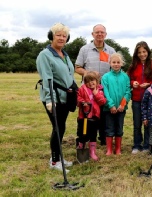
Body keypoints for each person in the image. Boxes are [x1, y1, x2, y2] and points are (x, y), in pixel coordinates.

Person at [36, 23, 74, 172]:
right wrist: (49, 99)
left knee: (62, 126)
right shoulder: (45, 55)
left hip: (65, 97)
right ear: (51, 36)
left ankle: (58, 157)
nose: (61, 38)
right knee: (57, 128)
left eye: (64, 36)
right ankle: (54, 161)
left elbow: (69, 75)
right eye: (58, 35)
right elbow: (47, 79)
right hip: (54, 98)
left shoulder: (65, 54)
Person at [75, 24, 116, 146]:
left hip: (104, 89)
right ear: (92, 34)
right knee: (88, 114)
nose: (99, 34)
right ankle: (85, 139)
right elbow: (77, 68)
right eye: (97, 32)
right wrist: (89, 74)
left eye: (102, 32)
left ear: (106, 35)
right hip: (87, 91)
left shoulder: (111, 51)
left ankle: (103, 138)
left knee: (103, 115)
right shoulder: (84, 49)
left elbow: (114, 68)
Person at [127, 41, 152, 154]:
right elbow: (128, 80)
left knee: (147, 123)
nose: (142, 54)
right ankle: (137, 145)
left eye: (144, 52)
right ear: (136, 53)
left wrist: (149, 84)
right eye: (139, 52)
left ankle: (146, 145)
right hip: (136, 99)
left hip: (149, 100)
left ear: (148, 52)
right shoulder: (133, 66)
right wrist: (133, 83)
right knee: (137, 124)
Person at [101, 52, 131, 155]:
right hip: (109, 109)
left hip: (121, 109)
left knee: (119, 128)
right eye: (114, 62)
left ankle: (118, 149)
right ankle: (109, 149)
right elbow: (105, 92)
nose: (116, 64)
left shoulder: (125, 77)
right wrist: (111, 105)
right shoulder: (105, 77)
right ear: (110, 63)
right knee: (109, 128)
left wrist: (122, 105)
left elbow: (128, 91)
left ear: (122, 63)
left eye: (118, 62)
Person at [76, 71, 107, 161]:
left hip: (95, 117)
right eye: (88, 81)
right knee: (82, 134)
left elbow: (102, 102)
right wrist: (83, 102)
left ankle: (92, 152)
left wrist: (96, 94)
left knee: (93, 134)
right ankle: (81, 147)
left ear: (97, 81)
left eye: (93, 80)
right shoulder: (82, 89)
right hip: (84, 117)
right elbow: (78, 98)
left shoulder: (99, 90)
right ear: (85, 82)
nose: (91, 83)